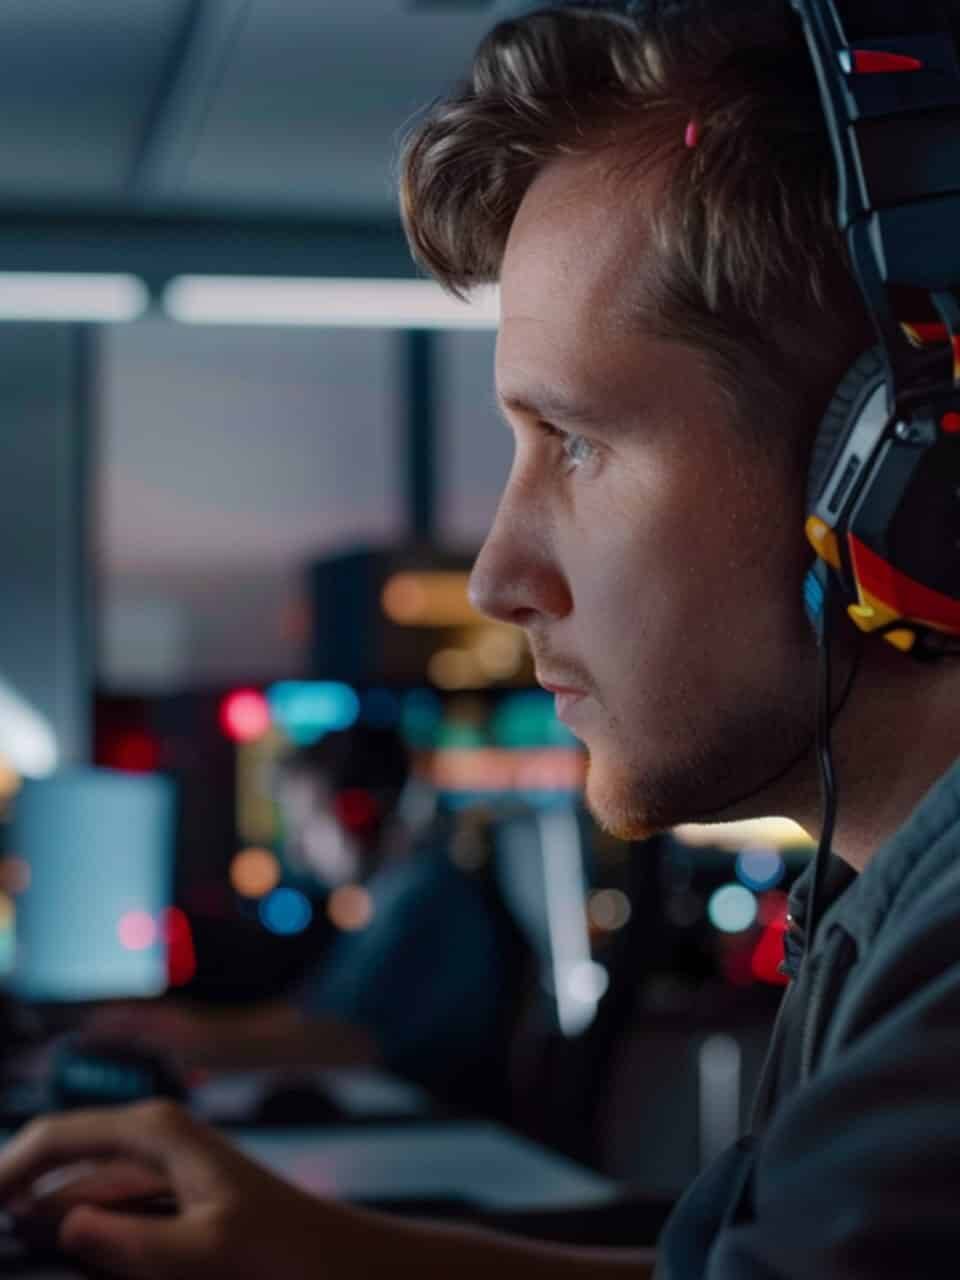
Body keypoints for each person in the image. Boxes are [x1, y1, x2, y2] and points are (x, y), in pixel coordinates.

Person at [1, 1, 958, 1276]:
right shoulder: (885, 913)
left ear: (887, 471)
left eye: (575, 441)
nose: (501, 574)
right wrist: (323, 1251)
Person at [84, 725, 511, 1105]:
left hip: (435, 1125)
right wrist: (184, 1026)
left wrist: (186, 1042)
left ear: (356, 813)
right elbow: (315, 1014)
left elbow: (345, 1042)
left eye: (307, 824)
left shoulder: (421, 898)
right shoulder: (401, 891)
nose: (297, 850)